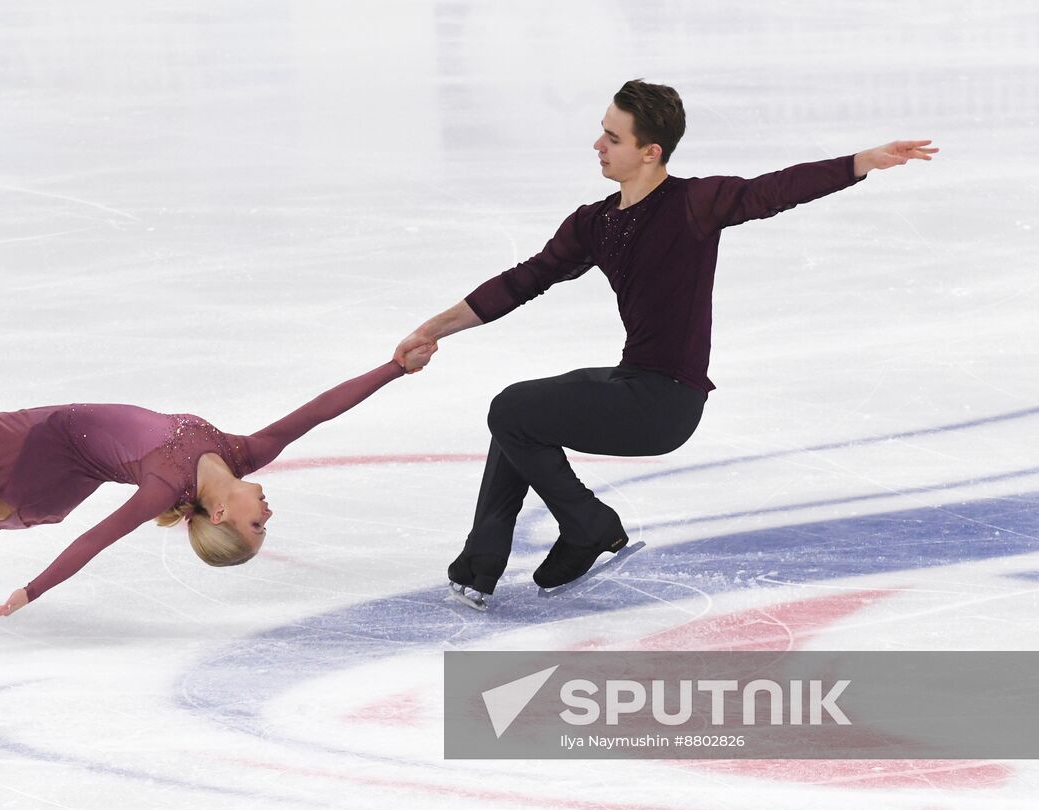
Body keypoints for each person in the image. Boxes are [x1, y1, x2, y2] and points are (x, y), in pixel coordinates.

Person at [393, 79, 937, 610]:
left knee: (512, 408)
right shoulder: (595, 223)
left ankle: (589, 525)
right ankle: (480, 565)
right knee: (519, 415)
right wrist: (431, 331)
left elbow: (773, 190)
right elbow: (523, 280)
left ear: (650, 152)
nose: (597, 145)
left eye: (613, 137)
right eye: (602, 132)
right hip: (632, 381)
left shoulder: (695, 204)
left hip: (665, 403)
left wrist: (860, 161)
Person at [0, 349, 433, 624]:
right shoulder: (244, 454)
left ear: (219, 512)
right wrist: (396, 367)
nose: (268, 513)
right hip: (58, 476)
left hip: (38, 440)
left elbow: (98, 539)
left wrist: (28, 593)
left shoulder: (165, 485)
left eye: (257, 526)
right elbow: (320, 410)